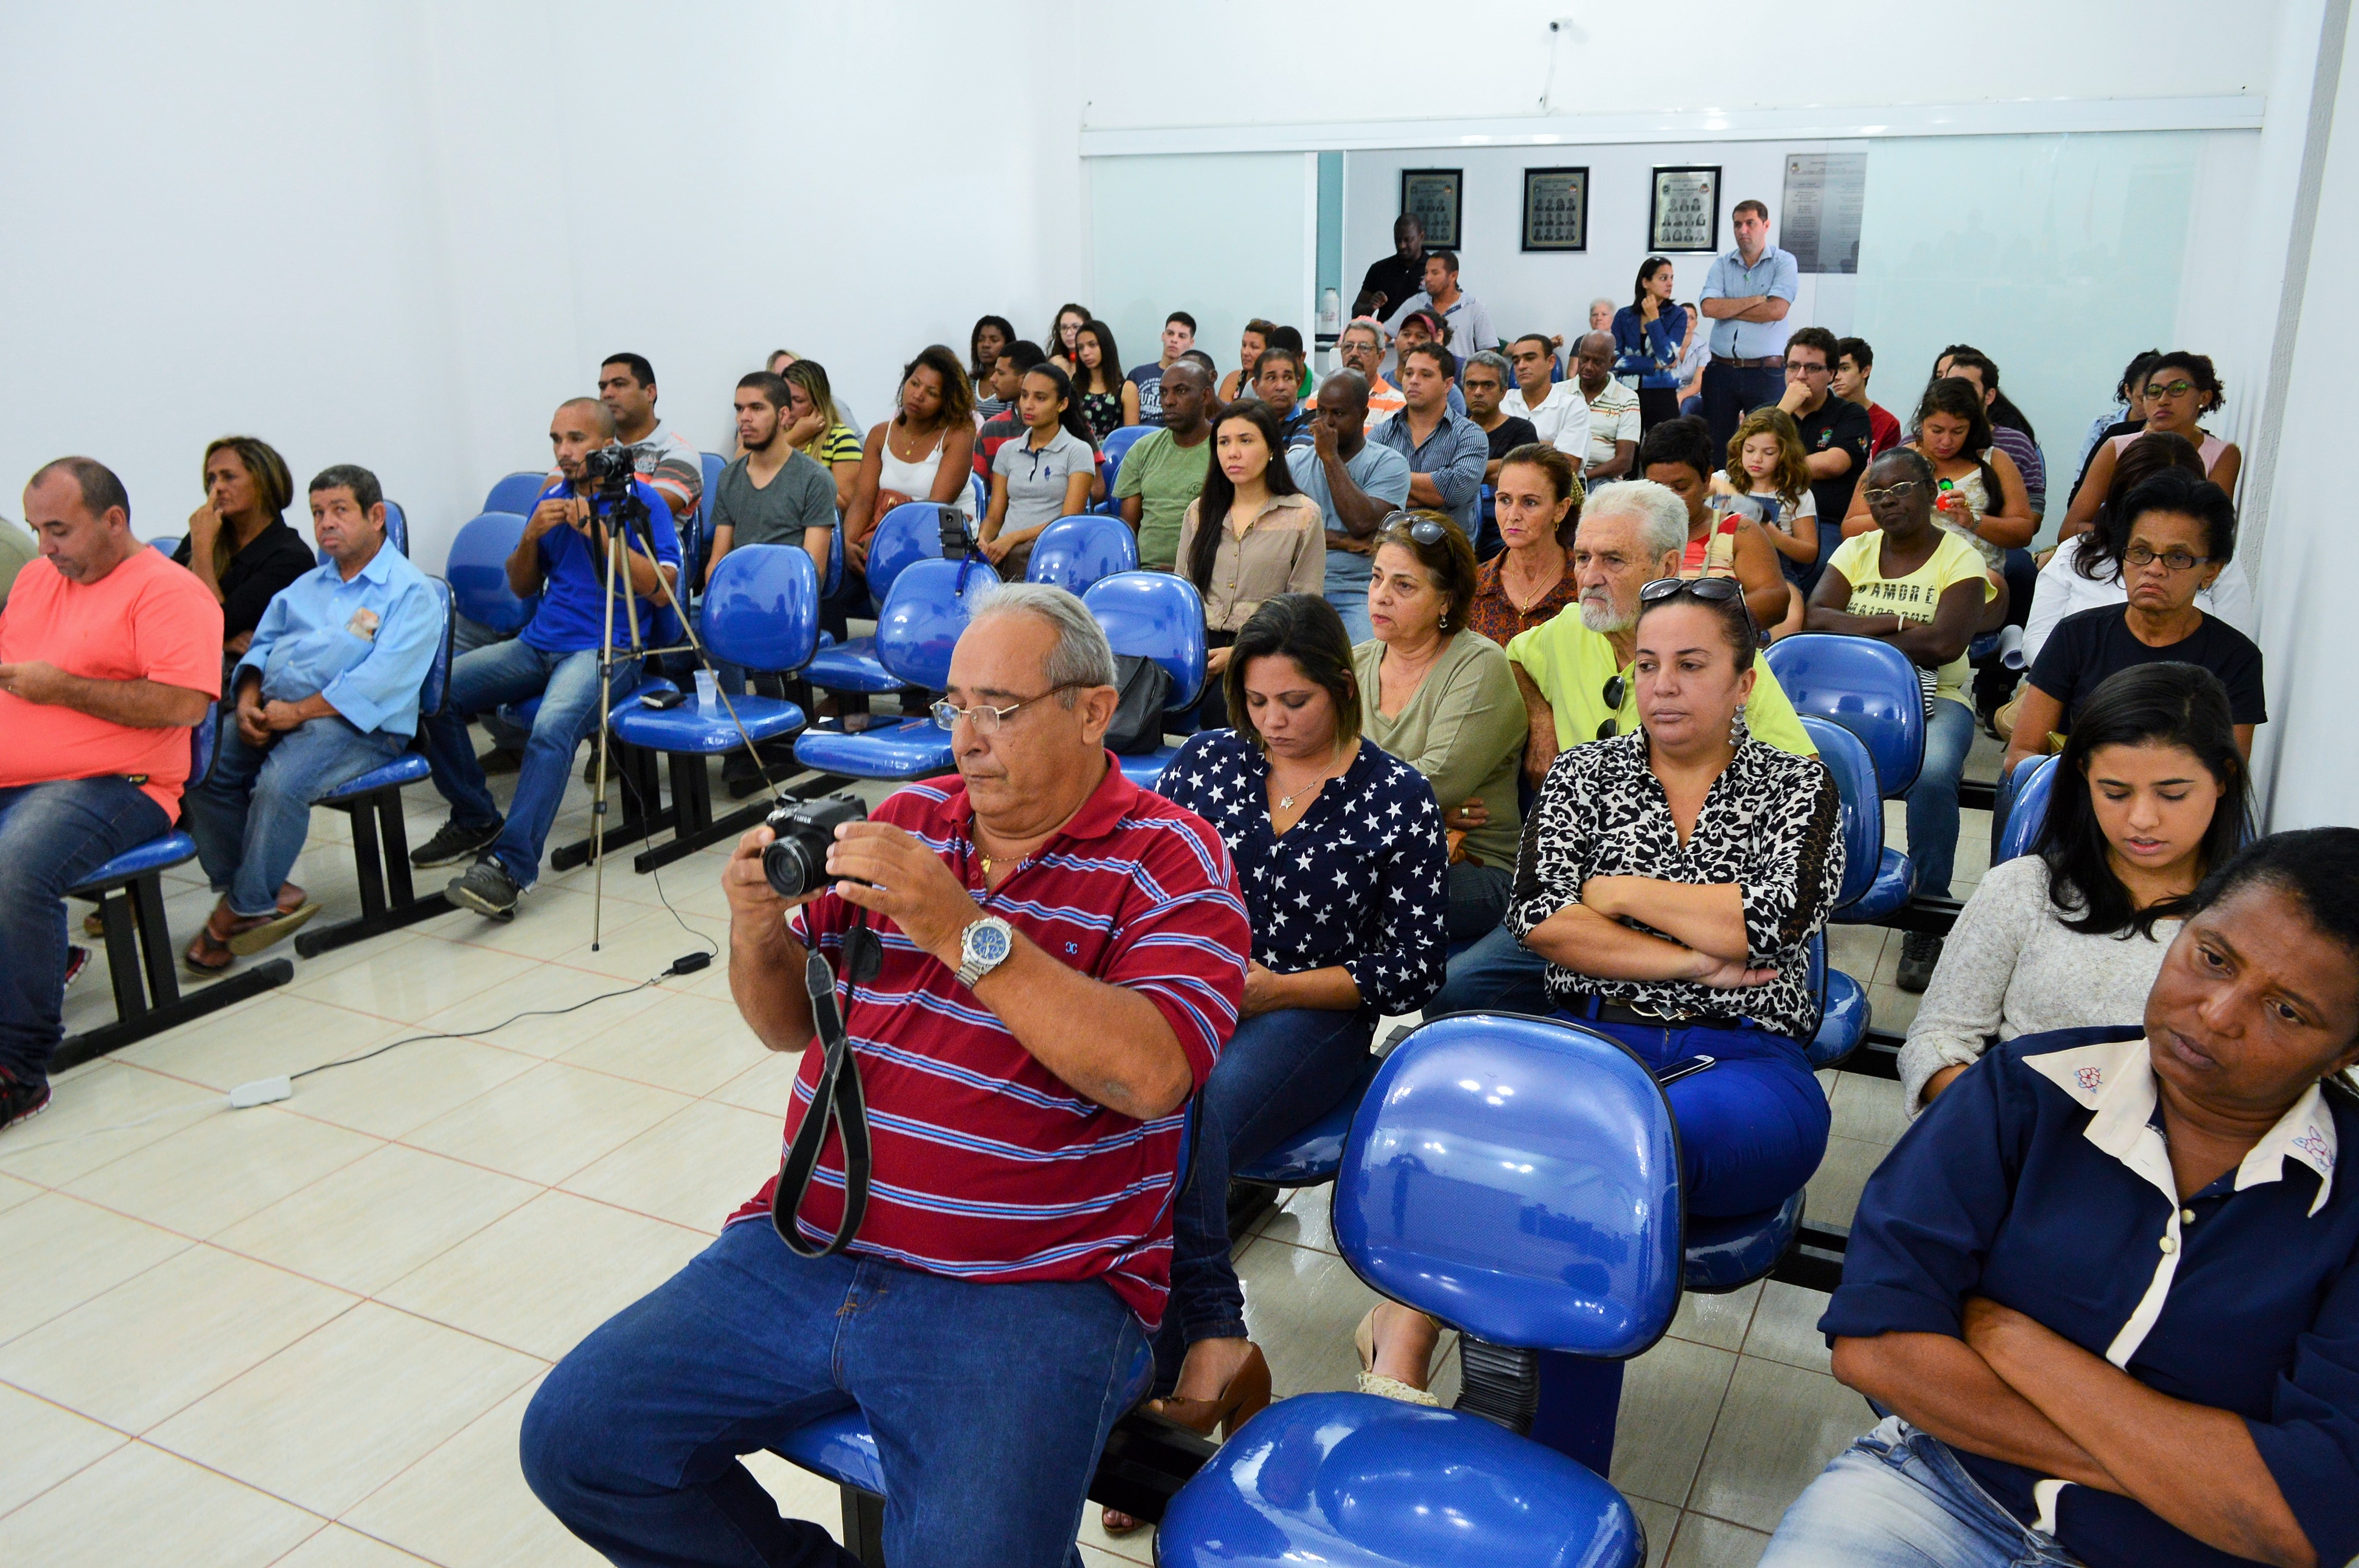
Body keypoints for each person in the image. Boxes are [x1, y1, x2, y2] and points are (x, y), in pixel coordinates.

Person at [522, 585, 1252, 1568]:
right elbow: (785, 1027)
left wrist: (956, 927)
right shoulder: (909, 822)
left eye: (999, 706)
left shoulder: (1171, 859)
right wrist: (753, 931)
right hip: (807, 1245)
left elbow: (1154, 1075)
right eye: (954, 705)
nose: (968, 736)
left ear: (1091, 709)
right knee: (579, 1441)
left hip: (1027, 1288)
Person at [1764, 827, 2359, 1568]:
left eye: (2288, 1012)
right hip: (1941, 1489)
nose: (2217, 1013)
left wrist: (2011, 1341)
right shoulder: (2025, 1088)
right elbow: (1878, 1348)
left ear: (2347, 1052)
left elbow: (2308, 1517)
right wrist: (2189, 1474)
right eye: (2213, 958)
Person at [1366, 576, 1841, 1400]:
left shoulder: (1799, 785)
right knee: (1544, 1166)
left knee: (1603, 1164)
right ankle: (1517, 1416)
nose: (1663, 684)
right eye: (1649, 663)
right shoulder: (1586, 775)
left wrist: (1616, 893)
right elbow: (1543, 918)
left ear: (1745, 684)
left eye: (1692, 665)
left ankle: (1423, 1334)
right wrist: (1692, 959)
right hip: (1591, 1042)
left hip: (1748, 1063)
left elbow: (1765, 924)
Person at [1153, 591, 1445, 1445]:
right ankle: (1174, 1343)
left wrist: (1276, 988)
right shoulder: (1210, 760)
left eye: (1295, 702)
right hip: (1191, 989)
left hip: (1308, 1013)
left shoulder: (1394, 796)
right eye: (1256, 702)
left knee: (1181, 1121)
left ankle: (1189, 1362)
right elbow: (1140, 870)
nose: (1273, 722)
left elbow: (1409, 969)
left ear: (1341, 691)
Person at [1435, 481, 1818, 1018]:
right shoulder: (1569, 631)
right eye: (1584, 557)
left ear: (1665, 565)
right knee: (1456, 993)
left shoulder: (1715, 655)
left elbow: (1804, 781)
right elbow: (1516, 659)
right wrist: (1542, 720)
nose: (1590, 576)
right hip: (1581, 907)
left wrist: (1636, 891)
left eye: (1613, 560)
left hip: (1687, 904)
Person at [1901, 663, 2248, 1115]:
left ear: (2222, 779)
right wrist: (2011, 1127)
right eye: (2116, 793)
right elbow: (1934, 1042)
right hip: (2017, 1140)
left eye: (2173, 794)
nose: (2142, 819)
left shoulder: (2257, 925)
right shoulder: (2024, 890)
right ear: (2084, 779)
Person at [0, 458, 220, 1131]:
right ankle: (40, 956)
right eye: (38, 530)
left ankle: (18, 1068)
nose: (44, 548)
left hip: (122, 784)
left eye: (59, 530)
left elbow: (184, 705)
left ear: (113, 521)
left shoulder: (171, 593)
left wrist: (58, 688)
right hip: (22, 774)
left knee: (14, 869)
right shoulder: (40, 578)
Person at [411, 398, 681, 918]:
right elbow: (521, 585)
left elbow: (659, 592)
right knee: (433, 693)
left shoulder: (641, 503)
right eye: (557, 440)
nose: (564, 451)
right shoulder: (551, 498)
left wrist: (598, 532)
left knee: (552, 728)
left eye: (576, 440)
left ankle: (510, 868)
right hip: (539, 642)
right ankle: (475, 815)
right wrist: (531, 537)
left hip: (610, 647)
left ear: (607, 447)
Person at [184, 465, 441, 971]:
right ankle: (266, 887)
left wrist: (295, 713)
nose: (326, 523)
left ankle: (243, 907)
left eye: (340, 511)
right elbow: (261, 645)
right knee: (201, 771)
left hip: (364, 727)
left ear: (376, 516)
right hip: (276, 711)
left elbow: (382, 682)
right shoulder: (306, 586)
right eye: (319, 513)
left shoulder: (408, 592)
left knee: (280, 786)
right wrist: (253, 699)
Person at [1808, 447, 2001, 991]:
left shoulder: (1957, 556)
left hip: (1936, 701)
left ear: (1929, 489)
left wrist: (1861, 623)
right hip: (1847, 700)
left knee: (1936, 772)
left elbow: (1946, 643)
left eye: (1901, 490)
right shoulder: (1857, 549)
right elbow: (1817, 616)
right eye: (1876, 494)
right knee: (1796, 762)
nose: (1887, 503)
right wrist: (1899, 623)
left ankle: (1927, 912)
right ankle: (1810, 890)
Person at [2005, 470, 2265, 783]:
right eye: (2141, 552)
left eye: (2178, 557)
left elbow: (2228, 776)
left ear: (2211, 571)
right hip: (2075, 800)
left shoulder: (2235, 658)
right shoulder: (2077, 636)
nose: (2154, 569)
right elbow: (2022, 753)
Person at [1356, 513, 1525, 941]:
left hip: (1476, 866)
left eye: (1404, 586)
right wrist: (1433, 815)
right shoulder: (1353, 662)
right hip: (1377, 850)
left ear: (1447, 600)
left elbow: (1436, 782)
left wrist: (1428, 807)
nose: (1381, 597)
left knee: (1330, 890)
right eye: (1377, 579)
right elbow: (1305, 764)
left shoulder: (1479, 664)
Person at [2021, 432, 2254, 672]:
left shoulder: (2216, 564)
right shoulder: (2075, 552)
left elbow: (2234, 647)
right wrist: (2081, 683)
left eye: (2177, 558)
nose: (2155, 511)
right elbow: (2037, 640)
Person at [1175, 401, 1326, 728]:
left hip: (1266, 647)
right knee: (1142, 701)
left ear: (1272, 448)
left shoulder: (1303, 515)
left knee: (1223, 713)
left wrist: (1241, 653)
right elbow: (1181, 596)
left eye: (1246, 441)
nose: (1233, 453)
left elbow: (1303, 609)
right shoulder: (1199, 512)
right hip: (1197, 646)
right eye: (1224, 442)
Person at [1841, 377, 2037, 574]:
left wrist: (1972, 520)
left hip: (1973, 574)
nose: (1946, 441)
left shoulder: (1995, 461)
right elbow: (1850, 529)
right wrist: (1902, 512)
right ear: (1922, 424)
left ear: (1972, 428)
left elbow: (2022, 533)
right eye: (1937, 430)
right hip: (1905, 568)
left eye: (1958, 431)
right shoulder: (1897, 462)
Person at [2064, 352, 2242, 539]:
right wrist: (2130, 541)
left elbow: (2214, 531)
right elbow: (2070, 528)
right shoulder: (2116, 446)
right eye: (2154, 391)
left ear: (2204, 397)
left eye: (2178, 389)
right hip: (2113, 554)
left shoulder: (2223, 454)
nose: (2163, 400)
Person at [1290, 372, 1412, 645]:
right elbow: (1284, 533)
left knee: (1358, 657)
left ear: (1363, 415)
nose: (1327, 422)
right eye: (1321, 411)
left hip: (1359, 589)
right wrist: (1344, 541)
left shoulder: (1389, 463)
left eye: (1339, 413)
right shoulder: (1295, 463)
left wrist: (1330, 457)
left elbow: (1361, 522)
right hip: (1295, 585)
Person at [842, 345, 978, 577]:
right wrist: (847, 545)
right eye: (915, 384)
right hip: (883, 540)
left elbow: (932, 511)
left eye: (932, 393)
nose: (918, 395)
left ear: (947, 401)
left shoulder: (959, 435)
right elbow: (863, 501)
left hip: (940, 543)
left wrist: (881, 543)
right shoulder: (879, 434)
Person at [1642, 416, 1790, 629]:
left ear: (1707, 479)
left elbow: (1775, 599)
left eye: (1681, 487)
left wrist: (1703, 623)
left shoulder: (1740, 532)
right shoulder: (1631, 530)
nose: (1668, 499)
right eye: (1656, 487)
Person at [173, 436, 314, 660]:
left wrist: (201, 550)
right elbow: (161, 608)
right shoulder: (208, 534)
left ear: (263, 483)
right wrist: (224, 643)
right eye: (211, 479)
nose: (216, 488)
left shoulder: (291, 558)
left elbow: (219, 623)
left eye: (229, 477)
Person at [706, 373, 838, 587]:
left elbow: (813, 572)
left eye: (756, 408)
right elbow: (717, 561)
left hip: (785, 598)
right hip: (738, 593)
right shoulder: (729, 476)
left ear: (784, 415)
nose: (744, 418)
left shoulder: (815, 479)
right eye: (739, 409)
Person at [1697, 199, 1800, 449]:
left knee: (1765, 442)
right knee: (1716, 446)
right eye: (1737, 225)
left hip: (1765, 372)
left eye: (1750, 223)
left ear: (1766, 225)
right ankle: (1719, 490)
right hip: (1721, 370)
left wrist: (1728, 308)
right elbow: (1709, 307)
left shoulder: (1784, 262)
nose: (1743, 230)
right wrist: (1756, 300)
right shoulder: (1722, 264)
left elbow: (1777, 310)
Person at [980, 364, 1097, 581]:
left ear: (1062, 404)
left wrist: (1013, 539)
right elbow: (995, 516)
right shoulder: (1007, 451)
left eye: (1040, 398)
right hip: (1003, 552)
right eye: (1025, 396)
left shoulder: (1078, 451)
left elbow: (1067, 522)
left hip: (1049, 555)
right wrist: (983, 540)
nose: (1028, 405)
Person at [1713, 406, 1818, 637]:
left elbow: (1809, 552)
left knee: (1789, 618)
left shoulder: (1796, 494)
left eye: (1769, 453)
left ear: (1784, 454)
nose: (1757, 459)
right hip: (1721, 568)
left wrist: (1773, 533)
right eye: (1750, 450)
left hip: (1777, 574)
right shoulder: (1723, 481)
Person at [1467, 442, 1584, 646]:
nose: (1513, 516)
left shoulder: (1584, 585)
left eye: (1529, 502)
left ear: (1561, 509)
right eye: (1504, 500)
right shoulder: (1475, 585)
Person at [1370, 342, 1486, 538]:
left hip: (1447, 554)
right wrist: (1433, 492)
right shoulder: (1383, 433)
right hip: (1391, 550)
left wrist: (1392, 485)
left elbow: (1455, 490)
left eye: (1426, 375)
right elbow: (1364, 490)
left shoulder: (1470, 434)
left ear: (1448, 385)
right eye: (1409, 373)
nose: (1414, 381)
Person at [1113, 359, 1213, 572]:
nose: (1168, 401)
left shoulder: (1224, 450)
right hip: (1145, 572)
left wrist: (1186, 570)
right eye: (1163, 392)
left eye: (1181, 391)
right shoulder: (1142, 450)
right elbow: (1129, 529)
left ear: (1205, 396)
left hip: (1205, 573)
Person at [1929, 346, 2046, 518]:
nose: (1946, 441)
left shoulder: (2011, 446)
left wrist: (1974, 520)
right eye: (1947, 383)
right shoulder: (1913, 448)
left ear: (1989, 396)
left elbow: (2031, 517)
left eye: (1966, 386)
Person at [1777, 326, 1874, 527]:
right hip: (1768, 515)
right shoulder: (1769, 412)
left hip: (1824, 521)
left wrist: (1770, 466)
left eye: (1812, 368)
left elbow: (1832, 464)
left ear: (1831, 374)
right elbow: (1742, 460)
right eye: (1793, 366)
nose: (1800, 375)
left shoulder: (1852, 414)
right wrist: (1782, 412)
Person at [598, 353, 704, 529]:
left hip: (644, 553)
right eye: (603, 387)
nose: (607, 394)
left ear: (650, 393)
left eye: (619, 384)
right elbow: (547, 505)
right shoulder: (595, 448)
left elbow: (643, 517)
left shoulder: (679, 453)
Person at [2066, 348, 2162, 509]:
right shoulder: (2103, 428)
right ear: (2128, 391)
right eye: (2143, 397)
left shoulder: (2170, 431)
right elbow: (2083, 487)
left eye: (2157, 395)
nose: (2151, 404)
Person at [781, 360, 865, 516]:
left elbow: (845, 505)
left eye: (798, 400)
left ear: (818, 403)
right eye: (784, 397)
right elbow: (743, 464)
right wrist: (793, 438)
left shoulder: (841, 439)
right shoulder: (774, 433)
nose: (788, 406)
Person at [1613, 258, 1689, 430]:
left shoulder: (1678, 315)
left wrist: (1654, 319)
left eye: (1672, 278)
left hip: (1663, 391)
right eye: (1663, 278)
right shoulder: (1624, 316)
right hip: (1627, 392)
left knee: (1665, 450)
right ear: (1645, 282)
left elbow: (1667, 358)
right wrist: (1652, 364)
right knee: (1630, 451)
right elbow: (1614, 360)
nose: (1670, 284)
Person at [1502, 333, 1594, 465]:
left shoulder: (1573, 407)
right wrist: (1547, 447)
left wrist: (1512, 447)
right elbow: (1481, 461)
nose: (1521, 366)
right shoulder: (1503, 402)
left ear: (1551, 362)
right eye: (1516, 361)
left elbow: (1567, 466)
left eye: (1530, 358)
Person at [1394, 250, 1497, 366]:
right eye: (1426, 273)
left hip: (1461, 379)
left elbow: (1490, 353)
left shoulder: (1475, 307)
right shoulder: (1414, 303)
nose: (1427, 278)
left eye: (1435, 273)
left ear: (1453, 276)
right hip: (1421, 372)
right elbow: (1387, 334)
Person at [971, 339, 1049, 480]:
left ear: (1026, 379)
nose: (993, 379)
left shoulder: (1069, 423)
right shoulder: (990, 430)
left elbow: (1096, 487)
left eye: (1000, 373)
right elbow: (978, 490)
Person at [1572, 331, 1642, 483]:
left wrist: (1581, 479)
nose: (1588, 367)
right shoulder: (1559, 392)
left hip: (1603, 479)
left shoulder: (1627, 398)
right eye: (1584, 359)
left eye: (1597, 362)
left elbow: (1625, 461)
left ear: (1611, 362)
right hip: (1561, 475)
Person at [1461, 350, 1539, 487]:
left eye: (1488, 385)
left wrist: (1461, 471)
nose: (1478, 392)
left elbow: (1520, 477)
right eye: (1472, 385)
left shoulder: (1522, 430)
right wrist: (1500, 464)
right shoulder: (1454, 430)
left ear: (1503, 392)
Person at [1833, 336, 1902, 456]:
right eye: (1834, 370)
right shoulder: (1821, 416)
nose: (1836, 377)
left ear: (1866, 371)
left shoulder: (1888, 424)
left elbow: (1886, 472)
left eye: (1844, 369)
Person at [1353, 213, 1426, 325]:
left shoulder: (1434, 269)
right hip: (1386, 338)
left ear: (1421, 236)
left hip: (1424, 338)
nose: (1402, 245)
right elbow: (1356, 313)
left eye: (1408, 240)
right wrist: (1371, 307)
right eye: (1398, 240)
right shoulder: (1379, 269)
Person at [1070, 319, 1135, 444]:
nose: (1086, 353)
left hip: (1110, 454)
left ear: (1105, 345)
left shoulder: (1127, 388)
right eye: (1081, 348)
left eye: (1092, 345)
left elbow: (1130, 439)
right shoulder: (1075, 385)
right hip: (1077, 453)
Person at [1333, 317, 1406, 426]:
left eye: (1364, 348)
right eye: (1348, 347)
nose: (1354, 353)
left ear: (1380, 357)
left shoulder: (1397, 403)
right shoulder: (1320, 399)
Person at [1128, 310, 1195, 426]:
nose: (1174, 340)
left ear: (1191, 343)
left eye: (1182, 336)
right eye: (1170, 333)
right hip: (1140, 438)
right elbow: (1129, 427)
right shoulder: (1138, 374)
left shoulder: (1193, 379)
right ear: (1163, 336)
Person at [1250, 346, 1313, 446]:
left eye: (1288, 378)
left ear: (1298, 384)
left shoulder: (1310, 421)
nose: (1281, 387)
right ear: (1256, 386)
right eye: (1272, 378)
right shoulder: (1246, 423)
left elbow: (1297, 460)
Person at [1218, 318, 1277, 403]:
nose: (1245, 352)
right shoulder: (1234, 380)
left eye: (1254, 347)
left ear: (1269, 351)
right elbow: (1223, 415)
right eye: (1244, 345)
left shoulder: (1276, 385)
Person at [967, 314, 1015, 414]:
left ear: (1008, 345)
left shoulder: (1011, 386)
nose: (986, 345)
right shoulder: (969, 383)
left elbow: (1009, 425)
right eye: (981, 340)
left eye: (994, 340)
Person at [1044, 302, 1091, 378]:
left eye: (1075, 327)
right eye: (1064, 328)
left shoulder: (1094, 361)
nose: (1069, 333)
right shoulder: (1055, 362)